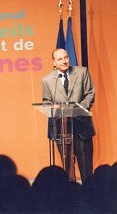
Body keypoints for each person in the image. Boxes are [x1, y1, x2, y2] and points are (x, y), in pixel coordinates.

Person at [41, 48, 95, 183]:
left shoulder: (82, 72)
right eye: (60, 59)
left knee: (86, 169)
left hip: (81, 127)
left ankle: (89, 197)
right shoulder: (47, 80)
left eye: (66, 57)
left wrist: (79, 107)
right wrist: (53, 107)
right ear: (54, 63)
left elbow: (90, 93)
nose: (64, 61)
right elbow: (46, 102)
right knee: (68, 169)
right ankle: (71, 198)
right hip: (61, 129)